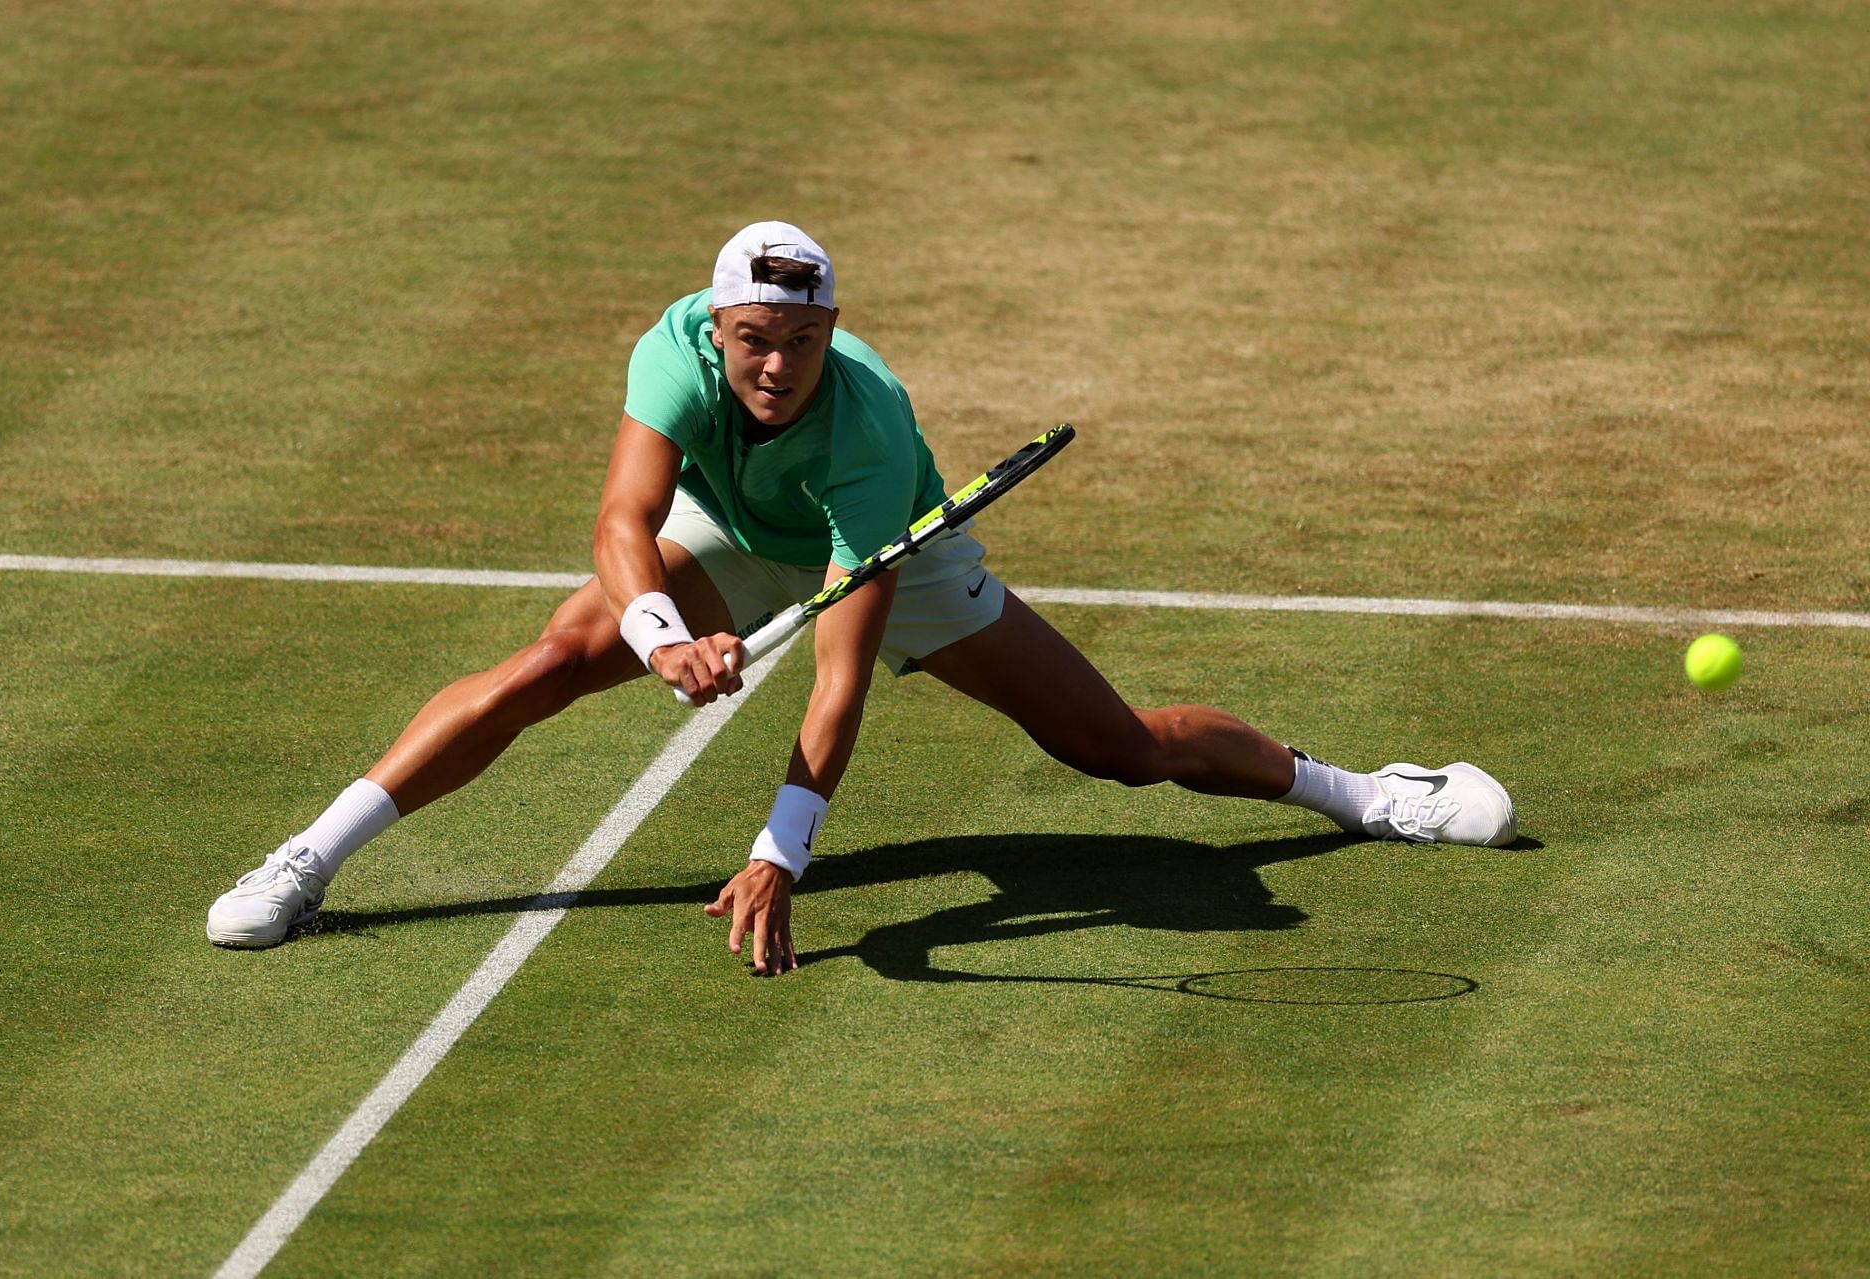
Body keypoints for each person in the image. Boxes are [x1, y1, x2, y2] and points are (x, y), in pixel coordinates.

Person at [207, 220, 1517, 972]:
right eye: (753, 342)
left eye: (802, 341)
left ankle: (1366, 793)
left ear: (833, 331)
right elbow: (621, 520)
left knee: (1115, 750)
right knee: (558, 654)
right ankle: (310, 859)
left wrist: (781, 850)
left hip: (874, 543)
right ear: (715, 330)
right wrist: (664, 640)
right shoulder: (671, 356)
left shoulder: (867, 438)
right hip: (728, 523)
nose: (775, 366)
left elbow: (837, 681)